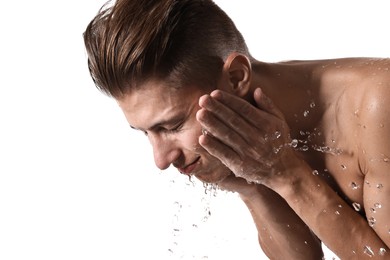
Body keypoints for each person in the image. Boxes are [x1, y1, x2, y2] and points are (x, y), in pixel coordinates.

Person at [83, 0, 390, 258]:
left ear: (237, 77)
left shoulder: (379, 103)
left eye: (173, 125)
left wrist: (287, 175)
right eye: (145, 133)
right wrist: (251, 182)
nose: (162, 159)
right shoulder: (257, 143)